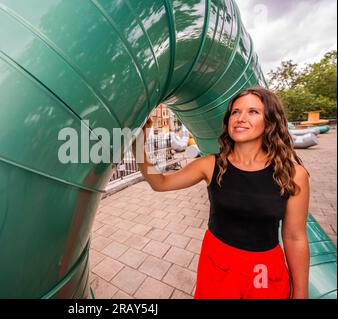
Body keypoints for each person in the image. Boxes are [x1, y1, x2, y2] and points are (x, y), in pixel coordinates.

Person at [132, 87, 310, 299]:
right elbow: (160, 182)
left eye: (253, 112)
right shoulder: (210, 164)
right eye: (235, 112)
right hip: (217, 265)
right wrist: (138, 145)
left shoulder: (292, 174)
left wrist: (301, 293)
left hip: (263, 273)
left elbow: (294, 237)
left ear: (270, 121)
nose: (241, 118)